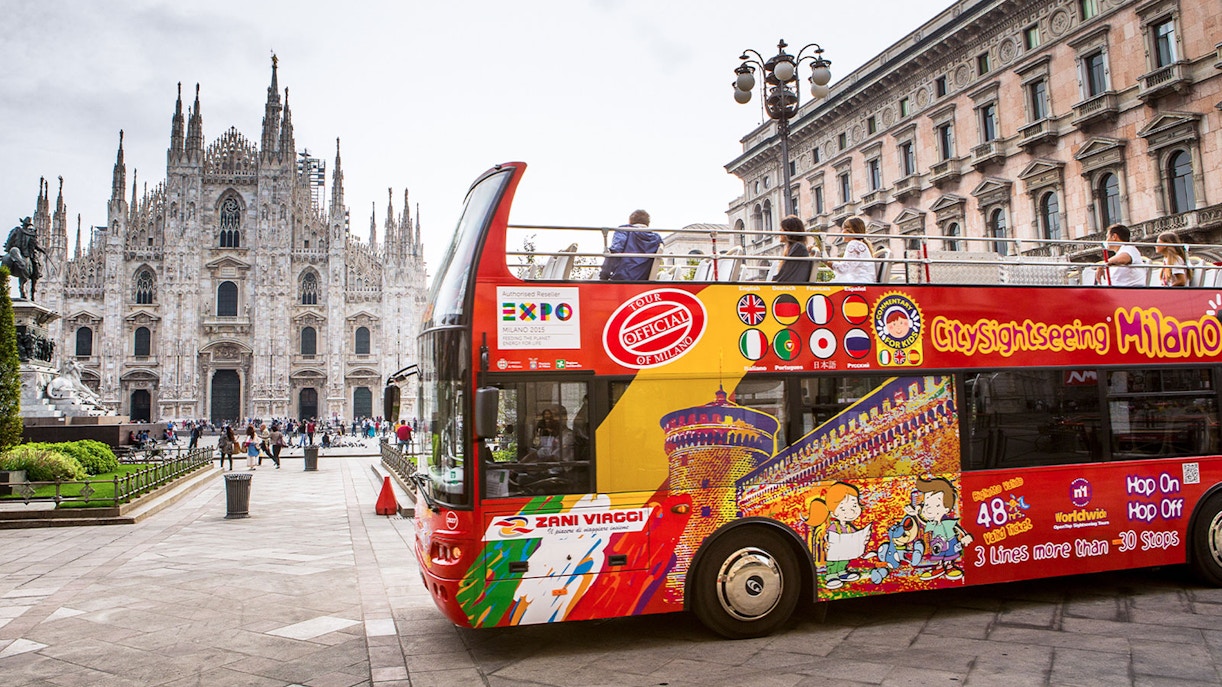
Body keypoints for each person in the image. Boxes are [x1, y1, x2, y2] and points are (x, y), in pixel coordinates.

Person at [599, 209, 662, 281]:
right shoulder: (657, 238)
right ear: (647, 223)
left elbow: (614, 252)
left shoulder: (624, 230)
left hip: (622, 280)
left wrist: (603, 276)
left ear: (630, 221)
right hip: (644, 281)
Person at [828, 216, 876, 283]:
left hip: (860, 283)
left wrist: (827, 262)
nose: (841, 232)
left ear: (850, 231)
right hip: (865, 281)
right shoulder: (860, 244)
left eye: (843, 229)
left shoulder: (854, 244)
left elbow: (843, 269)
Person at [772, 215, 811, 284]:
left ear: (788, 231)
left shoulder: (798, 248)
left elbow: (784, 274)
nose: (780, 232)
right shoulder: (795, 248)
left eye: (782, 229)